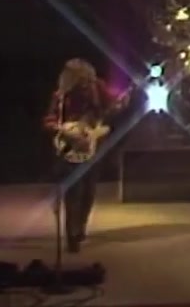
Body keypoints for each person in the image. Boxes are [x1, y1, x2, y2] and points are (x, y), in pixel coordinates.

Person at [42, 58, 128, 253]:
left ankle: (80, 228)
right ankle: (71, 235)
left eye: (86, 79)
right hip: (69, 147)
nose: (84, 83)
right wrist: (63, 130)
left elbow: (112, 110)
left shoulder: (98, 89)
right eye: (79, 79)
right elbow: (48, 120)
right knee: (73, 192)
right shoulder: (60, 96)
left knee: (89, 190)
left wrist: (120, 105)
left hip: (92, 146)